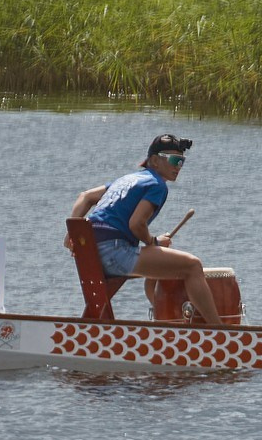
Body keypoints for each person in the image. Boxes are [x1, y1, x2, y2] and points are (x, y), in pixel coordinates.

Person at [67, 132, 224, 327]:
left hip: (93, 253)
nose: (178, 166)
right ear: (155, 161)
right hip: (114, 252)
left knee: (158, 268)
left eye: (182, 161)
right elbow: (136, 224)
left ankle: (165, 323)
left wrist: (74, 230)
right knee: (192, 266)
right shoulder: (157, 185)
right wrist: (154, 242)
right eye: (174, 160)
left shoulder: (126, 180)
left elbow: (85, 196)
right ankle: (220, 331)